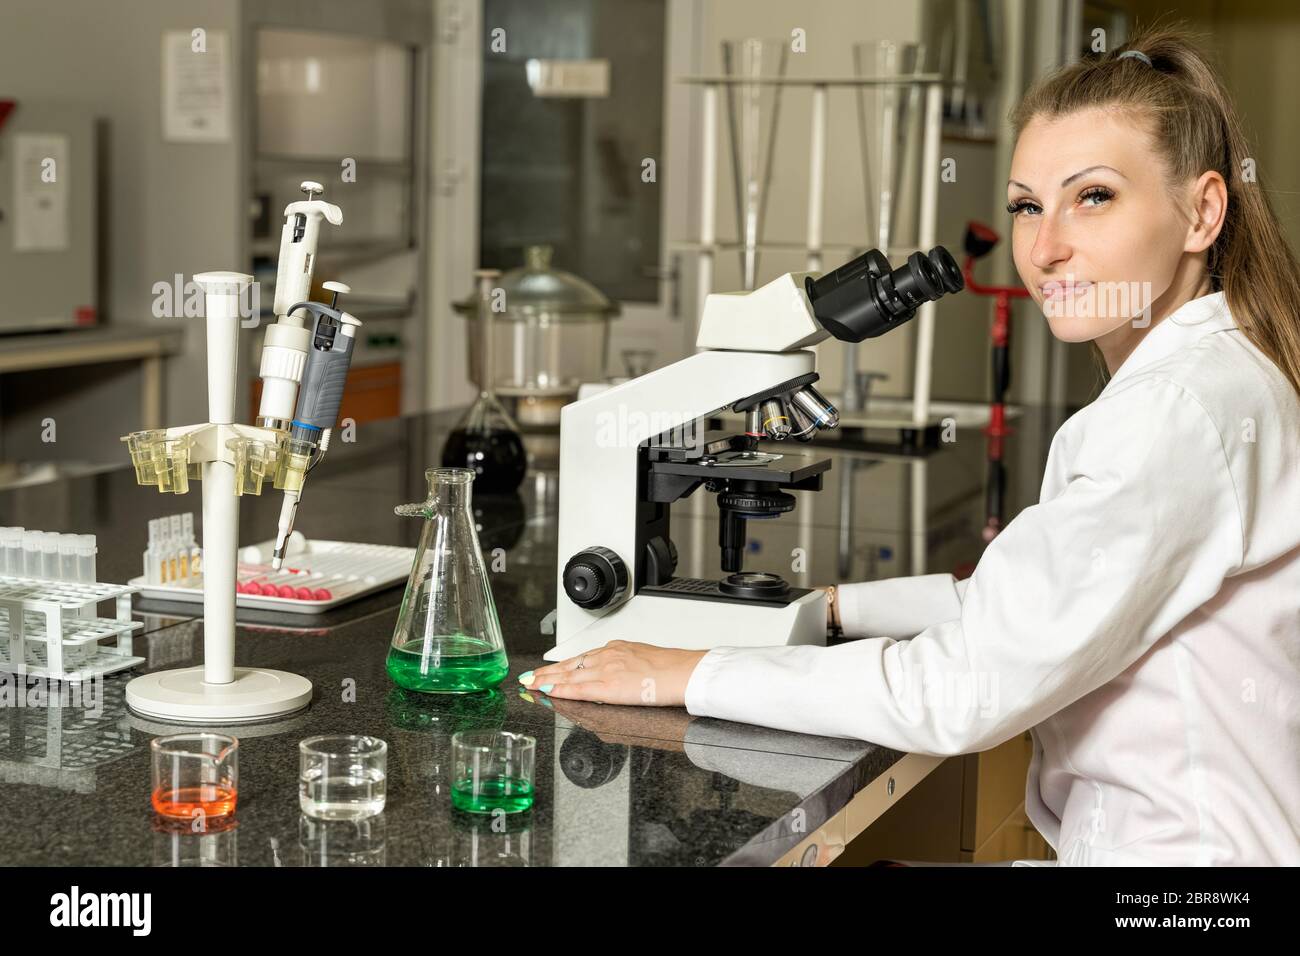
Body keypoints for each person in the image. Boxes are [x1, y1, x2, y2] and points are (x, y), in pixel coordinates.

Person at [520, 24, 1300, 865]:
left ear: (1203, 211)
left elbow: (964, 688)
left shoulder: (1176, 411)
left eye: (1095, 196)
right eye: (1029, 205)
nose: (1046, 247)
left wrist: (683, 674)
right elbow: (1021, 602)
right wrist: (837, 609)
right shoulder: (1213, 374)